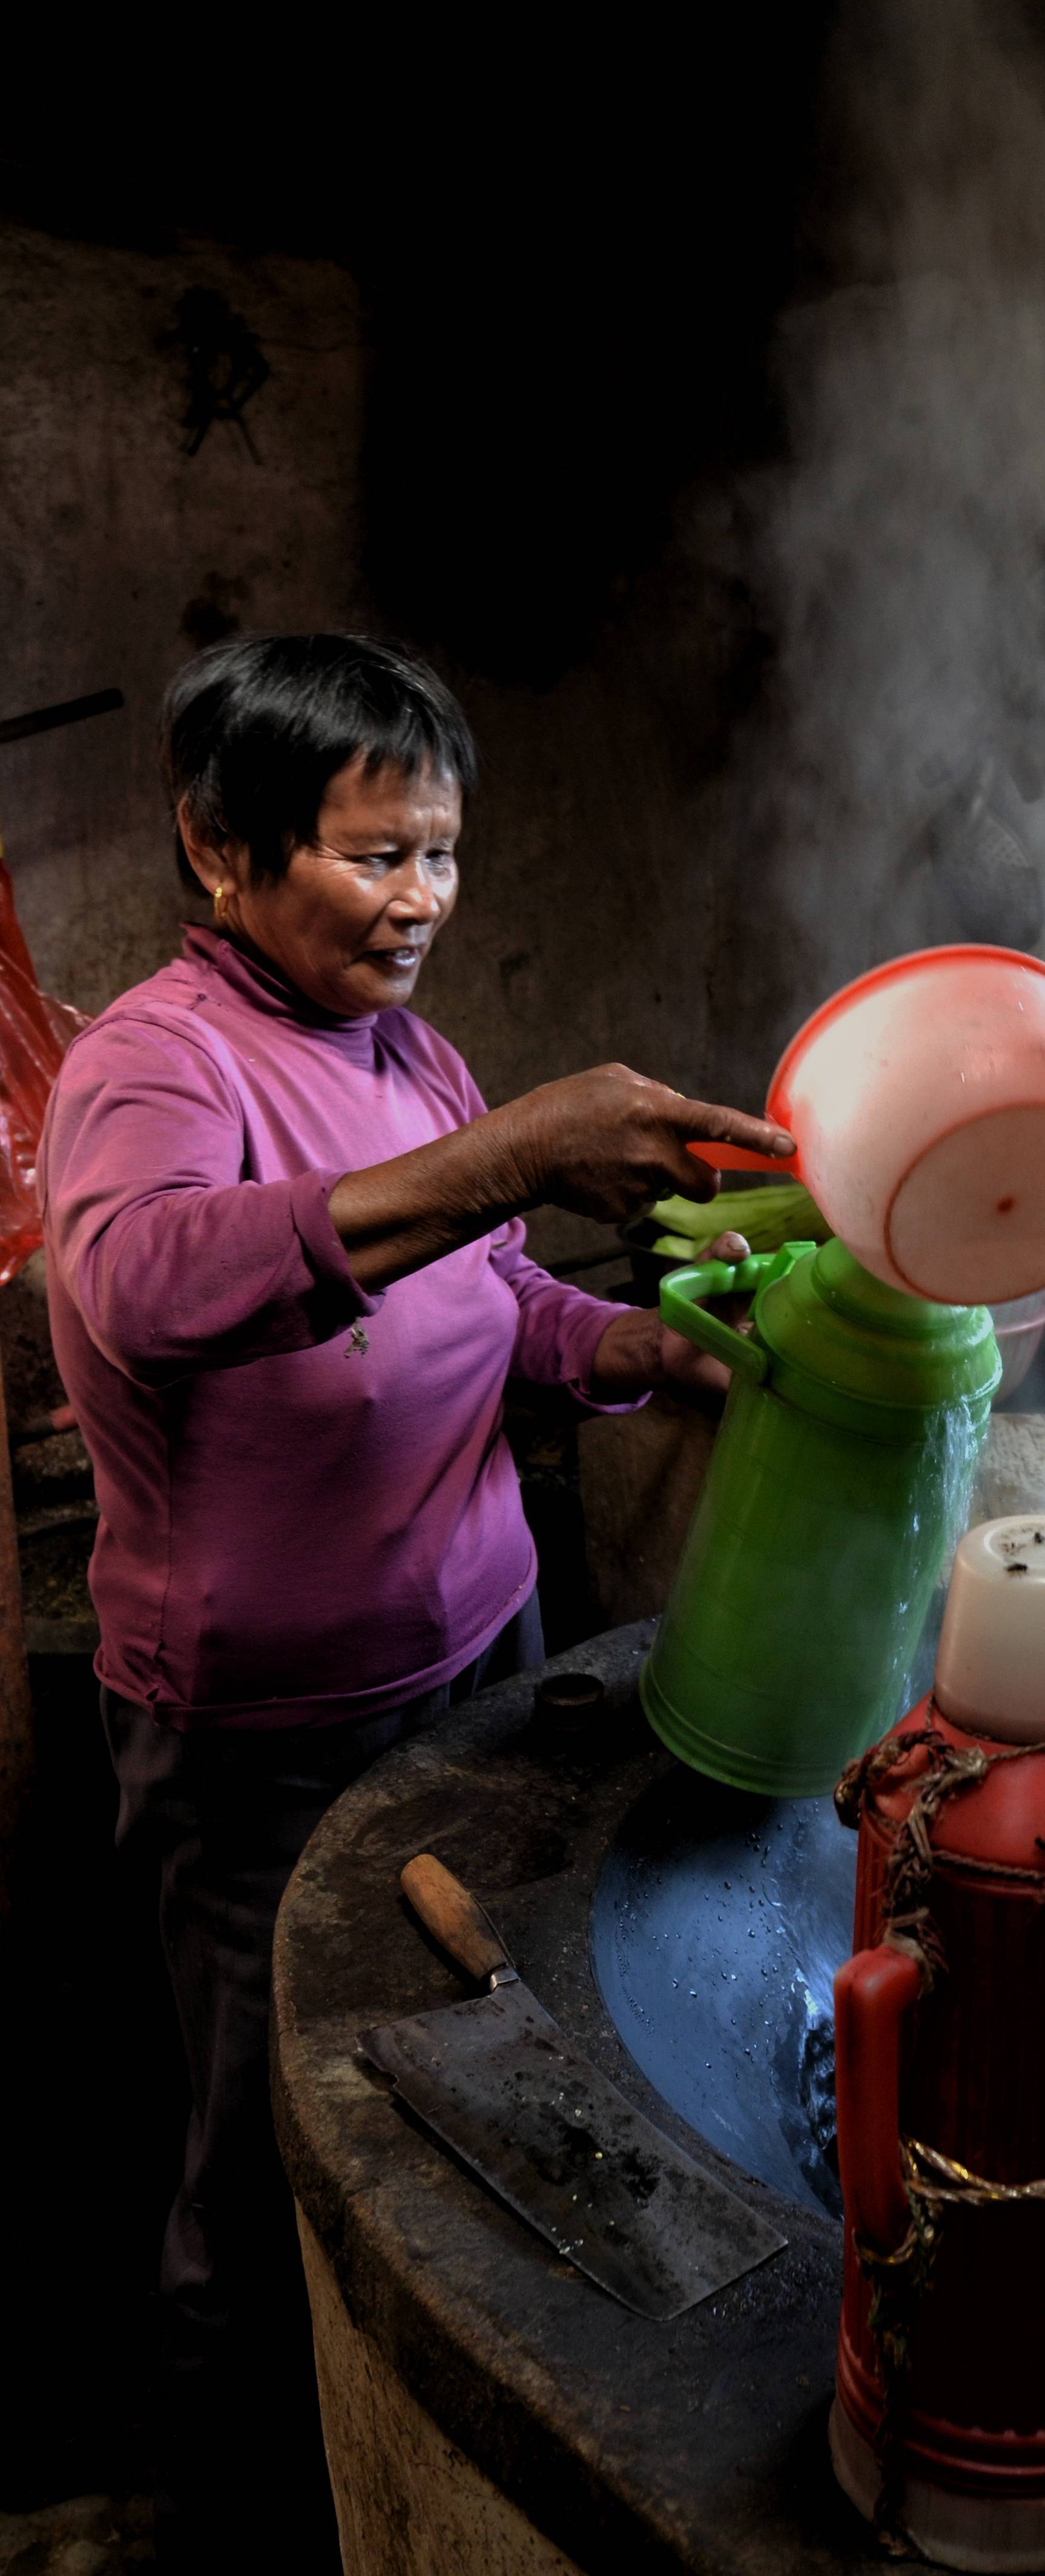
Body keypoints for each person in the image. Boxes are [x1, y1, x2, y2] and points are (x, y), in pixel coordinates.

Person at [39, 632, 793, 2571]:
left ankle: (424, 2436)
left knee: (478, 2053)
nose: (423, 904)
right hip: (263, 1740)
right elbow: (132, 1287)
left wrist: (647, 1348)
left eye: (440, 856)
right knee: (256, 2133)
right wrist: (513, 1152)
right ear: (222, 851)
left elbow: (498, 1308)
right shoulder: (159, 1061)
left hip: (479, 1666)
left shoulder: (415, 1059)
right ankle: (228, 2506)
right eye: (375, 859)